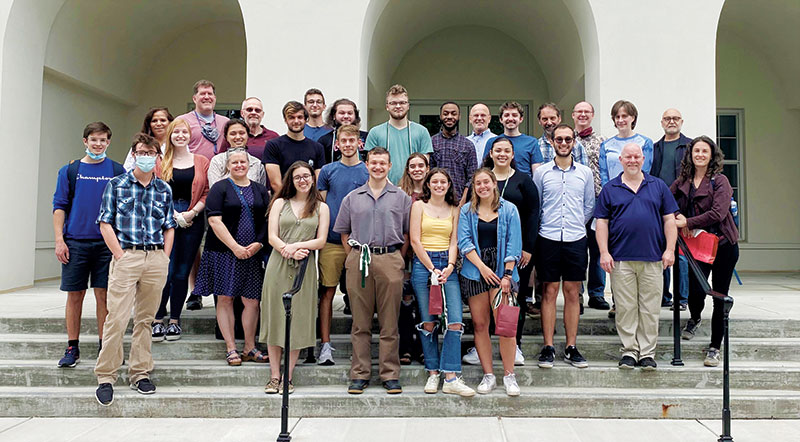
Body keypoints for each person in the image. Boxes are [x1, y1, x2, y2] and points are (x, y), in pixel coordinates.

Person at [94, 133, 176, 406]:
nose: (146, 156)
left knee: (146, 319)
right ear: (134, 154)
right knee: (116, 317)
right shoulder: (116, 185)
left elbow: (168, 226)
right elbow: (105, 222)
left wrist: (164, 257)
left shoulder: (163, 189)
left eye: (151, 153)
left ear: (157, 157)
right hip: (126, 256)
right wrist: (119, 254)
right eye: (141, 151)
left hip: (155, 258)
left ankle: (140, 372)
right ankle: (106, 376)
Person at [334, 147, 411, 395]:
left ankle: (390, 374)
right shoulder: (353, 197)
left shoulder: (401, 198)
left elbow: (409, 232)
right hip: (359, 260)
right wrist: (352, 258)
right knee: (360, 322)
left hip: (390, 258)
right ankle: (360, 373)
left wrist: (397, 259)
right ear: (366, 165)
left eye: (383, 163)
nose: (378, 167)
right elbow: (344, 231)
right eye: (373, 163)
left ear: (390, 166)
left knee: (390, 323)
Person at [595, 143, 678, 371]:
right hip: (621, 259)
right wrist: (604, 252)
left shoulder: (658, 186)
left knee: (650, 308)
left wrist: (669, 249)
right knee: (625, 307)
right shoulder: (610, 188)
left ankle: (647, 354)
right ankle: (629, 351)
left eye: (636, 156)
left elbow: (669, 220)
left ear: (643, 159)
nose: (632, 160)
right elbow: (601, 223)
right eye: (628, 157)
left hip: (653, 258)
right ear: (620, 160)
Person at [52, 122, 125, 368]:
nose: (98, 144)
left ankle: (105, 346)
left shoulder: (117, 170)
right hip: (75, 243)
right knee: (75, 295)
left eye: (103, 140)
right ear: (85, 141)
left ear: (108, 142)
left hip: (107, 244)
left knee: (104, 296)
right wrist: (59, 240)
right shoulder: (70, 171)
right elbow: (59, 206)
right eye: (94, 139)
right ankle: (72, 346)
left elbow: (123, 208)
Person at [463, 137, 540, 367]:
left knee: (510, 312)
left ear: (513, 154)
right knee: (480, 318)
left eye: (507, 150)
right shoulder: (470, 206)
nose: (503, 154)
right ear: (491, 153)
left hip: (508, 259)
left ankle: (512, 350)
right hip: (477, 266)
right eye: (498, 150)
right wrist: (481, 267)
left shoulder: (522, 184)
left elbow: (533, 214)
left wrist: (526, 249)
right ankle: (482, 353)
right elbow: (465, 237)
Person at [193, 150, 270, 366]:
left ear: (249, 164)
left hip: (253, 253)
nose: (239, 165)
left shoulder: (260, 189)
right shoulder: (220, 188)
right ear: (228, 166)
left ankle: (249, 346)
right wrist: (235, 247)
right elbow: (215, 220)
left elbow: (267, 219)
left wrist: (258, 244)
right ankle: (231, 348)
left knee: (252, 301)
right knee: (225, 298)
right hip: (223, 251)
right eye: (234, 162)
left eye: (242, 162)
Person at [671, 136, 739, 367]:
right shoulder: (682, 181)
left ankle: (714, 348)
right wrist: (678, 218)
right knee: (695, 290)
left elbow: (718, 213)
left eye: (705, 151)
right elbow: (667, 203)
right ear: (690, 155)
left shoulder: (720, 181)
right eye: (696, 151)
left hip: (723, 245)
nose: (700, 154)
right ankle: (695, 317)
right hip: (697, 247)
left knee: (719, 296)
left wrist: (688, 222)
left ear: (712, 156)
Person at [262, 162, 329, 394]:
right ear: (291, 179)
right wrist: (286, 250)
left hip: (304, 266)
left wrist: (297, 247)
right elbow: (272, 236)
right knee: (274, 317)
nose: (302, 180)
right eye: (298, 177)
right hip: (278, 264)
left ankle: (287, 377)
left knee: (297, 319)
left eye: (307, 176)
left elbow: (320, 241)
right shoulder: (280, 202)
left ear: (313, 179)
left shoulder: (321, 207)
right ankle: (273, 376)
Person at [532, 124, 595, 369]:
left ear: (574, 141)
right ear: (553, 141)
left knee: (572, 292)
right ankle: (548, 346)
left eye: (568, 139)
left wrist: (576, 223)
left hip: (575, 237)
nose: (564, 143)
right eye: (559, 139)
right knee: (548, 291)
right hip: (547, 237)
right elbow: (538, 205)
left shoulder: (585, 173)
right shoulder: (542, 173)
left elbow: (589, 205)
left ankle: (570, 346)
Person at [409, 168, 475, 397]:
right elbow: (415, 240)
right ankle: (433, 373)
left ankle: (451, 377)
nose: (439, 185)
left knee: (454, 321)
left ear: (448, 185)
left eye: (443, 182)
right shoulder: (418, 206)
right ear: (428, 184)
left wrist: (448, 266)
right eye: (434, 181)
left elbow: (454, 240)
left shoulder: (455, 209)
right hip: (423, 265)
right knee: (429, 321)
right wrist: (431, 268)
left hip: (447, 266)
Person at [458, 168, 522, 397]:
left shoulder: (510, 210)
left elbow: (515, 244)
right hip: (476, 271)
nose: (483, 186)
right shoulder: (466, 211)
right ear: (474, 187)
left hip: (502, 272)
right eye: (478, 183)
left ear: (494, 183)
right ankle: (489, 375)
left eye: (487, 182)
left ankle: (509, 375)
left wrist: (506, 276)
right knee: (480, 324)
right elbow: (464, 242)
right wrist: (482, 268)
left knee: (504, 326)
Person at [151, 118, 210, 341]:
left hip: (192, 219)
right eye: (176, 132)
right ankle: (157, 318)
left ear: (190, 135)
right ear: (170, 135)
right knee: (164, 271)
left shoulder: (201, 161)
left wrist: (192, 213)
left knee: (181, 272)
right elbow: (154, 191)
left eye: (184, 132)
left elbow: (205, 191)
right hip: (164, 220)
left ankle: (175, 319)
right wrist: (171, 214)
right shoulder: (160, 161)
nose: (180, 135)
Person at [317, 125, 369, 365]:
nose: (348, 145)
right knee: (327, 291)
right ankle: (326, 345)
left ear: (359, 144)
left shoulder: (369, 171)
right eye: (343, 141)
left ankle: (359, 346)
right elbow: (322, 206)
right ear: (337, 144)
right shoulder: (328, 171)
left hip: (361, 244)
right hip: (331, 242)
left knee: (359, 295)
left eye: (352, 140)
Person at [652, 108, 692, 310]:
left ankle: (682, 298)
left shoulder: (690, 145)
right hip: (659, 206)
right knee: (662, 252)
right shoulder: (656, 147)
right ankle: (664, 296)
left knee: (681, 255)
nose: (671, 121)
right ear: (662, 122)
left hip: (681, 208)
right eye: (667, 118)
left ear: (682, 121)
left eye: (675, 118)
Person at [572, 101, 610, 311]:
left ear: (592, 115)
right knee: (577, 249)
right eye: (579, 112)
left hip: (597, 200)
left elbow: (604, 170)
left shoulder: (601, 141)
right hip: (574, 202)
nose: (583, 115)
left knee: (597, 248)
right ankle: (577, 294)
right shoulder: (566, 138)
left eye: (587, 112)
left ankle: (596, 293)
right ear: (573, 115)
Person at [364, 84, 433, 184]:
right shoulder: (375, 132)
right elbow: (372, 165)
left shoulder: (422, 131)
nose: (398, 106)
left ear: (408, 105)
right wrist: (390, 187)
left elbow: (423, 166)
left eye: (402, 103)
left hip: (413, 190)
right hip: (383, 189)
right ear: (387, 106)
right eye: (393, 103)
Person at [397, 153, 429, 365]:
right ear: (407, 170)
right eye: (412, 166)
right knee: (405, 300)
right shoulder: (400, 194)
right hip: (404, 252)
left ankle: (423, 347)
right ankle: (406, 347)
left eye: (421, 165)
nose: (417, 169)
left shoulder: (434, 191)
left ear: (427, 168)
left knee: (424, 301)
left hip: (427, 254)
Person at [263, 101, 326, 194]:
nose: (296, 121)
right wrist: (290, 203)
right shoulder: (273, 145)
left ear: (306, 119)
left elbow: (317, 182)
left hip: (309, 202)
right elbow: (275, 183)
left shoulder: (317, 148)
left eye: (300, 117)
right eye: (291, 117)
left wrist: (307, 202)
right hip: (283, 201)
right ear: (285, 120)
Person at [430, 101, 478, 201]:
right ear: (440, 116)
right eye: (445, 113)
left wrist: (463, 201)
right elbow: (427, 173)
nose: (449, 116)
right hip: (435, 200)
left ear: (459, 116)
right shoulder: (431, 143)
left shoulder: (468, 145)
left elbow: (472, 177)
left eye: (454, 113)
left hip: (459, 200)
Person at [599, 100, 654, 186]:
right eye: (617, 117)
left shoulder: (645, 143)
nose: (620, 120)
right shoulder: (605, 145)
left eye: (624, 116)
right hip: (613, 193)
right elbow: (604, 176)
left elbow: (645, 173)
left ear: (633, 118)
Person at [482, 101, 543, 178]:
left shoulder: (532, 142)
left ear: (521, 119)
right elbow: (486, 170)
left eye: (514, 115)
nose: (510, 119)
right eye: (507, 115)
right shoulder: (492, 142)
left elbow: (537, 173)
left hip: (523, 187)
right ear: (501, 119)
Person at [176, 80, 230, 159]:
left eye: (210, 94)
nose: (207, 97)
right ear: (194, 99)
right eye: (202, 94)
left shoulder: (226, 122)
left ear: (214, 98)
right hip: (193, 169)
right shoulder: (182, 121)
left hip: (220, 169)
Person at [208, 119, 268, 187]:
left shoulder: (257, 164)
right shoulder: (217, 161)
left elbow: (260, 191)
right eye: (233, 134)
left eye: (242, 133)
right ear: (226, 137)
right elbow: (215, 190)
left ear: (247, 136)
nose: (238, 137)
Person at [317, 98, 368, 164]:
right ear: (333, 116)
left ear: (355, 116)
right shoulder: (324, 140)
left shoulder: (366, 137)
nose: (346, 116)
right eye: (342, 113)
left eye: (350, 113)